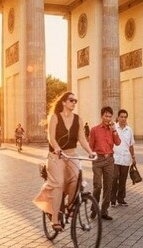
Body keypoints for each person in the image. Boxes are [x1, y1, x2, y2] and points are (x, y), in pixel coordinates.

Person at [34, 92, 95, 232]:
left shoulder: (78, 119)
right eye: (71, 100)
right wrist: (57, 148)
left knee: (76, 178)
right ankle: (55, 219)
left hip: (71, 154)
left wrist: (90, 152)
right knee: (59, 183)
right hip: (56, 155)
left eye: (75, 101)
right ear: (63, 102)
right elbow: (51, 137)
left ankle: (69, 206)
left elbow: (82, 139)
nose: (74, 103)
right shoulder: (55, 117)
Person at [89, 106, 121, 221]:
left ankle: (104, 211)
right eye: (106, 116)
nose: (108, 118)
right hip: (98, 160)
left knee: (108, 186)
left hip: (109, 160)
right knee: (98, 185)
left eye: (110, 116)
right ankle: (94, 208)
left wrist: (115, 131)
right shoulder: (94, 130)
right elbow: (90, 145)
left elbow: (118, 143)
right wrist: (91, 154)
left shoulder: (113, 129)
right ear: (102, 116)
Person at [110, 109, 135, 207]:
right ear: (118, 117)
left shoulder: (129, 130)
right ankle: (112, 199)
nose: (123, 119)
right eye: (122, 117)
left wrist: (133, 157)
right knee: (114, 177)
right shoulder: (113, 128)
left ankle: (120, 199)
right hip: (115, 157)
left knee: (123, 179)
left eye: (125, 117)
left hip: (126, 158)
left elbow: (131, 145)